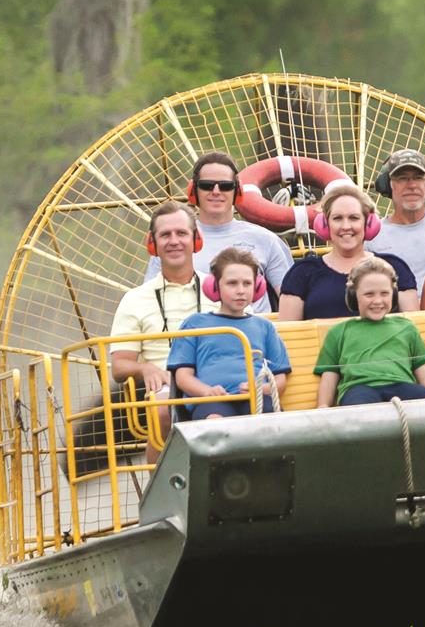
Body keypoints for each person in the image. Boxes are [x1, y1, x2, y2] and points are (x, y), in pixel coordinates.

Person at [109, 202, 219, 442]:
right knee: (163, 408)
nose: (174, 241)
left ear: (196, 240)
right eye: (165, 235)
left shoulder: (222, 289)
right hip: (167, 385)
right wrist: (144, 368)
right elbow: (119, 367)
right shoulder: (135, 299)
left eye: (181, 233)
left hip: (219, 378)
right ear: (153, 244)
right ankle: (160, 478)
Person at [145, 151, 294, 313]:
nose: (216, 191)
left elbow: (292, 300)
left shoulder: (266, 240)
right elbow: (150, 300)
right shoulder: (172, 243)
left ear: (237, 191)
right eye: (206, 185)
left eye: (225, 186)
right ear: (193, 190)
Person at [168, 249, 291, 418]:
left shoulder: (265, 327)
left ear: (257, 287)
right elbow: (182, 377)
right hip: (211, 401)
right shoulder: (194, 324)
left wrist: (261, 389)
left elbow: (280, 379)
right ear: (215, 286)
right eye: (232, 283)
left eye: (247, 283)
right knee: (215, 424)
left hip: (256, 398)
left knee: (272, 424)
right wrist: (207, 391)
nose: (241, 290)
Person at [278, 183, 419, 320]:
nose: (346, 226)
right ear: (325, 225)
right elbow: (287, 336)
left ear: (369, 224)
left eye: (354, 218)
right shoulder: (302, 273)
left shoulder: (395, 268)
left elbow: (415, 327)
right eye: (337, 218)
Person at [314, 258, 425, 408]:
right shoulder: (338, 331)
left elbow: (424, 372)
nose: (378, 301)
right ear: (354, 295)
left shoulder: (407, 327)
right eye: (369, 294)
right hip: (359, 388)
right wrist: (323, 406)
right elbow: (329, 375)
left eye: (384, 293)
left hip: (401, 385)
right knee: (360, 408)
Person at [369, 148, 425, 283]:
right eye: (402, 178)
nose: (412, 185)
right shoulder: (372, 237)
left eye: (418, 177)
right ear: (386, 185)